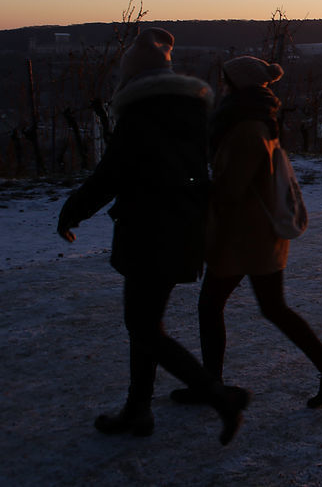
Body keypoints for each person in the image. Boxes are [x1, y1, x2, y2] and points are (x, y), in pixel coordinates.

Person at [57, 27, 249, 445]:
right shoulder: (191, 110)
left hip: (148, 230)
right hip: (182, 228)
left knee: (144, 328)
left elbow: (112, 174)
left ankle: (218, 397)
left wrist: (71, 212)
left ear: (133, 76)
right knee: (145, 323)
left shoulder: (140, 114)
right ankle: (138, 409)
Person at [171, 55, 322, 409]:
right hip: (259, 235)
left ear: (237, 85)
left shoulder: (246, 128)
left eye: (226, 80)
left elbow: (230, 190)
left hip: (243, 236)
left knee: (213, 306)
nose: (222, 85)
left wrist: (194, 188)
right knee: (271, 307)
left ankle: (212, 386)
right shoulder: (258, 121)